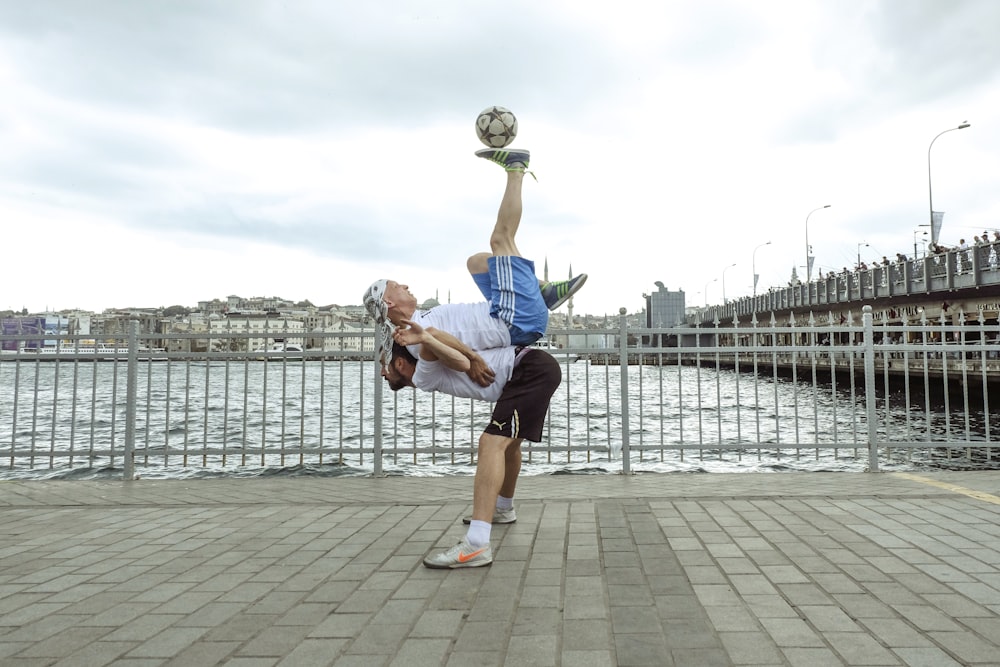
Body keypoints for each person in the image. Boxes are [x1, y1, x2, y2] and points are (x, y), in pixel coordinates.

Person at [364, 147, 584, 568]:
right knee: (500, 240)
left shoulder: (420, 326)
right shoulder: (410, 337)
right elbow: (447, 352)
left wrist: (463, 351)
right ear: (389, 303)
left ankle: (501, 509)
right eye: (398, 285)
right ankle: (516, 168)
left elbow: (450, 346)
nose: (406, 284)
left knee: (476, 261)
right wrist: (461, 353)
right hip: (513, 321)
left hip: (517, 332)